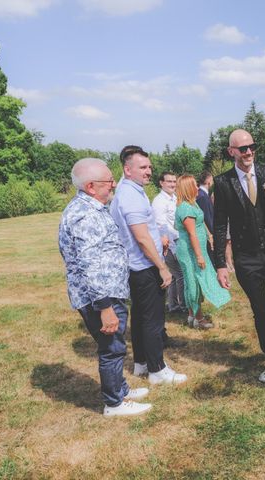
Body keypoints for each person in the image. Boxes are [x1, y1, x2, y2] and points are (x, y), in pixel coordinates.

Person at [58, 158, 152, 417]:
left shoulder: (91, 208)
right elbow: (91, 264)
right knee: (112, 348)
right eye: (108, 181)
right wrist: (105, 307)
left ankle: (119, 389)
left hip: (107, 292)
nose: (113, 185)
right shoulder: (85, 215)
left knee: (115, 345)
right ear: (90, 186)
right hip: (101, 297)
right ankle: (114, 403)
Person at [214, 129, 265, 383]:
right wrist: (220, 264)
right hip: (246, 258)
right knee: (260, 310)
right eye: (242, 148)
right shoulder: (223, 182)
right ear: (231, 152)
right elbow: (219, 225)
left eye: (252, 147)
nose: (248, 152)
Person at [110, 145, 187, 386]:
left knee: (141, 317)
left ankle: (142, 363)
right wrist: (162, 267)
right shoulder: (131, 195)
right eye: (143, 167)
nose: (148, 171)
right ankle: (157, 369)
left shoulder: (129, 190)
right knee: (153, 319)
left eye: (150, 167)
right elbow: (141, 237)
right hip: (144, 266)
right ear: (127, 169)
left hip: (138, 266)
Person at [175, 174, 230, 328]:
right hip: (190, 251)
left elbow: (201, 223)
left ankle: (193, 315)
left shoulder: (193, 204)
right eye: (194, 185)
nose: (197, 187)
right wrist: (199, 255)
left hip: (198, 248)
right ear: (187, 188)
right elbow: (192, 234)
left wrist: (209, 235)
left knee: (197, 282)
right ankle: (198, 318)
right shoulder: (185, 208)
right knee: (193, 282)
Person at [152, 172, 185, 315]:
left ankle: (173, 305)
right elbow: (161, 226)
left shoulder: (175, 198)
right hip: (170, 244)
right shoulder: (159, 201)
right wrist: (174, 244)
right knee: (181, 274)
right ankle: (182, 306)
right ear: (161, 183)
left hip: (178, 240)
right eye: (169, 181)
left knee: (176, 275)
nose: (172, 184)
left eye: (174, 181)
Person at [196, 171, 215, 266]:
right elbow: (206, 217)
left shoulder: (204, 194)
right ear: (208, 180)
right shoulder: (202, 196)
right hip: (207, 234)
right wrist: (211, 234)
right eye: (212, 179)